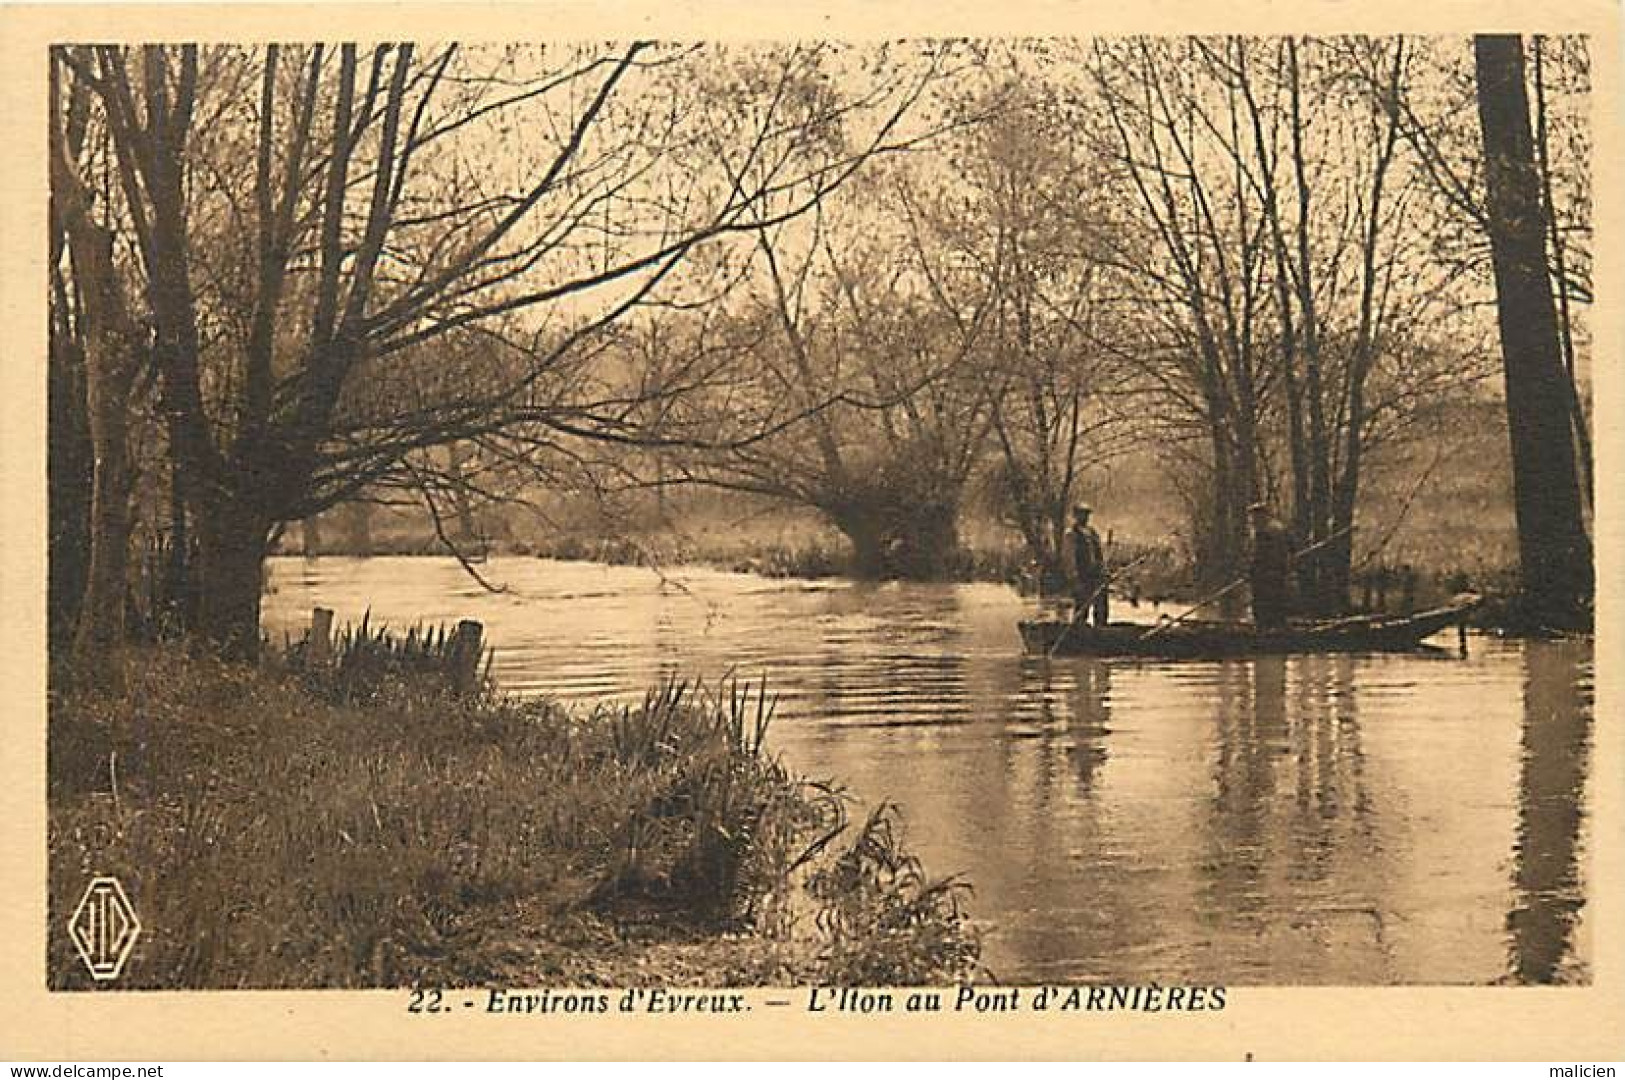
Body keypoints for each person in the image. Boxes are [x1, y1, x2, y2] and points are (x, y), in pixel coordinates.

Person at [1248, 502, 1290, 630]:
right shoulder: (1280, 528)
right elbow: (1292, 547)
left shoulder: (1264, 531)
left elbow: (1260, 555)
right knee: (1276, 600)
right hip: (1278, 571)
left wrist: (1251, 571)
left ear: (1262, 515)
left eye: (1254, 517)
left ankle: (1263, 630)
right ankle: (1278, 627)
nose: (1252, 520)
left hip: (1265, 573)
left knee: (1262, 601)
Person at [1070, 504, 1109, 627]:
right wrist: (1074, 578)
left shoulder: (1092, 533)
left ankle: (1100, 631)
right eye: (1082, 514)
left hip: (1096, 575)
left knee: (1101, 605)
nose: (1085, 517)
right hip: (1082, 576)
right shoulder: (1071, 534)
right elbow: (1070, 559)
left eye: (1087, 514)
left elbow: (1099, 555)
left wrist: (1104, 571)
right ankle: (1079, 632)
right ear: (1075, 516)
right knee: (1082, 607)